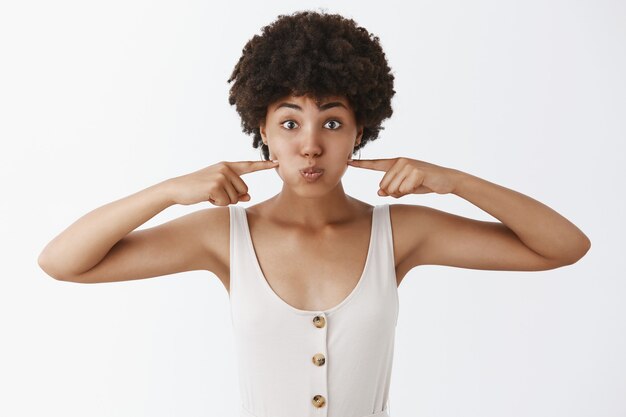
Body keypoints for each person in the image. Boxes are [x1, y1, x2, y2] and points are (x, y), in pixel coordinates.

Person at [37, 10, 591, 417]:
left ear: (358, 133)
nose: (309, 146)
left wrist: (455, 182)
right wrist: (167, 191)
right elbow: (62, 261)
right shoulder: (224, 234)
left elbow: (564, 246)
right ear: (263, 133)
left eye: (331, 122)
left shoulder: (397, 233)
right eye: (289, 121)